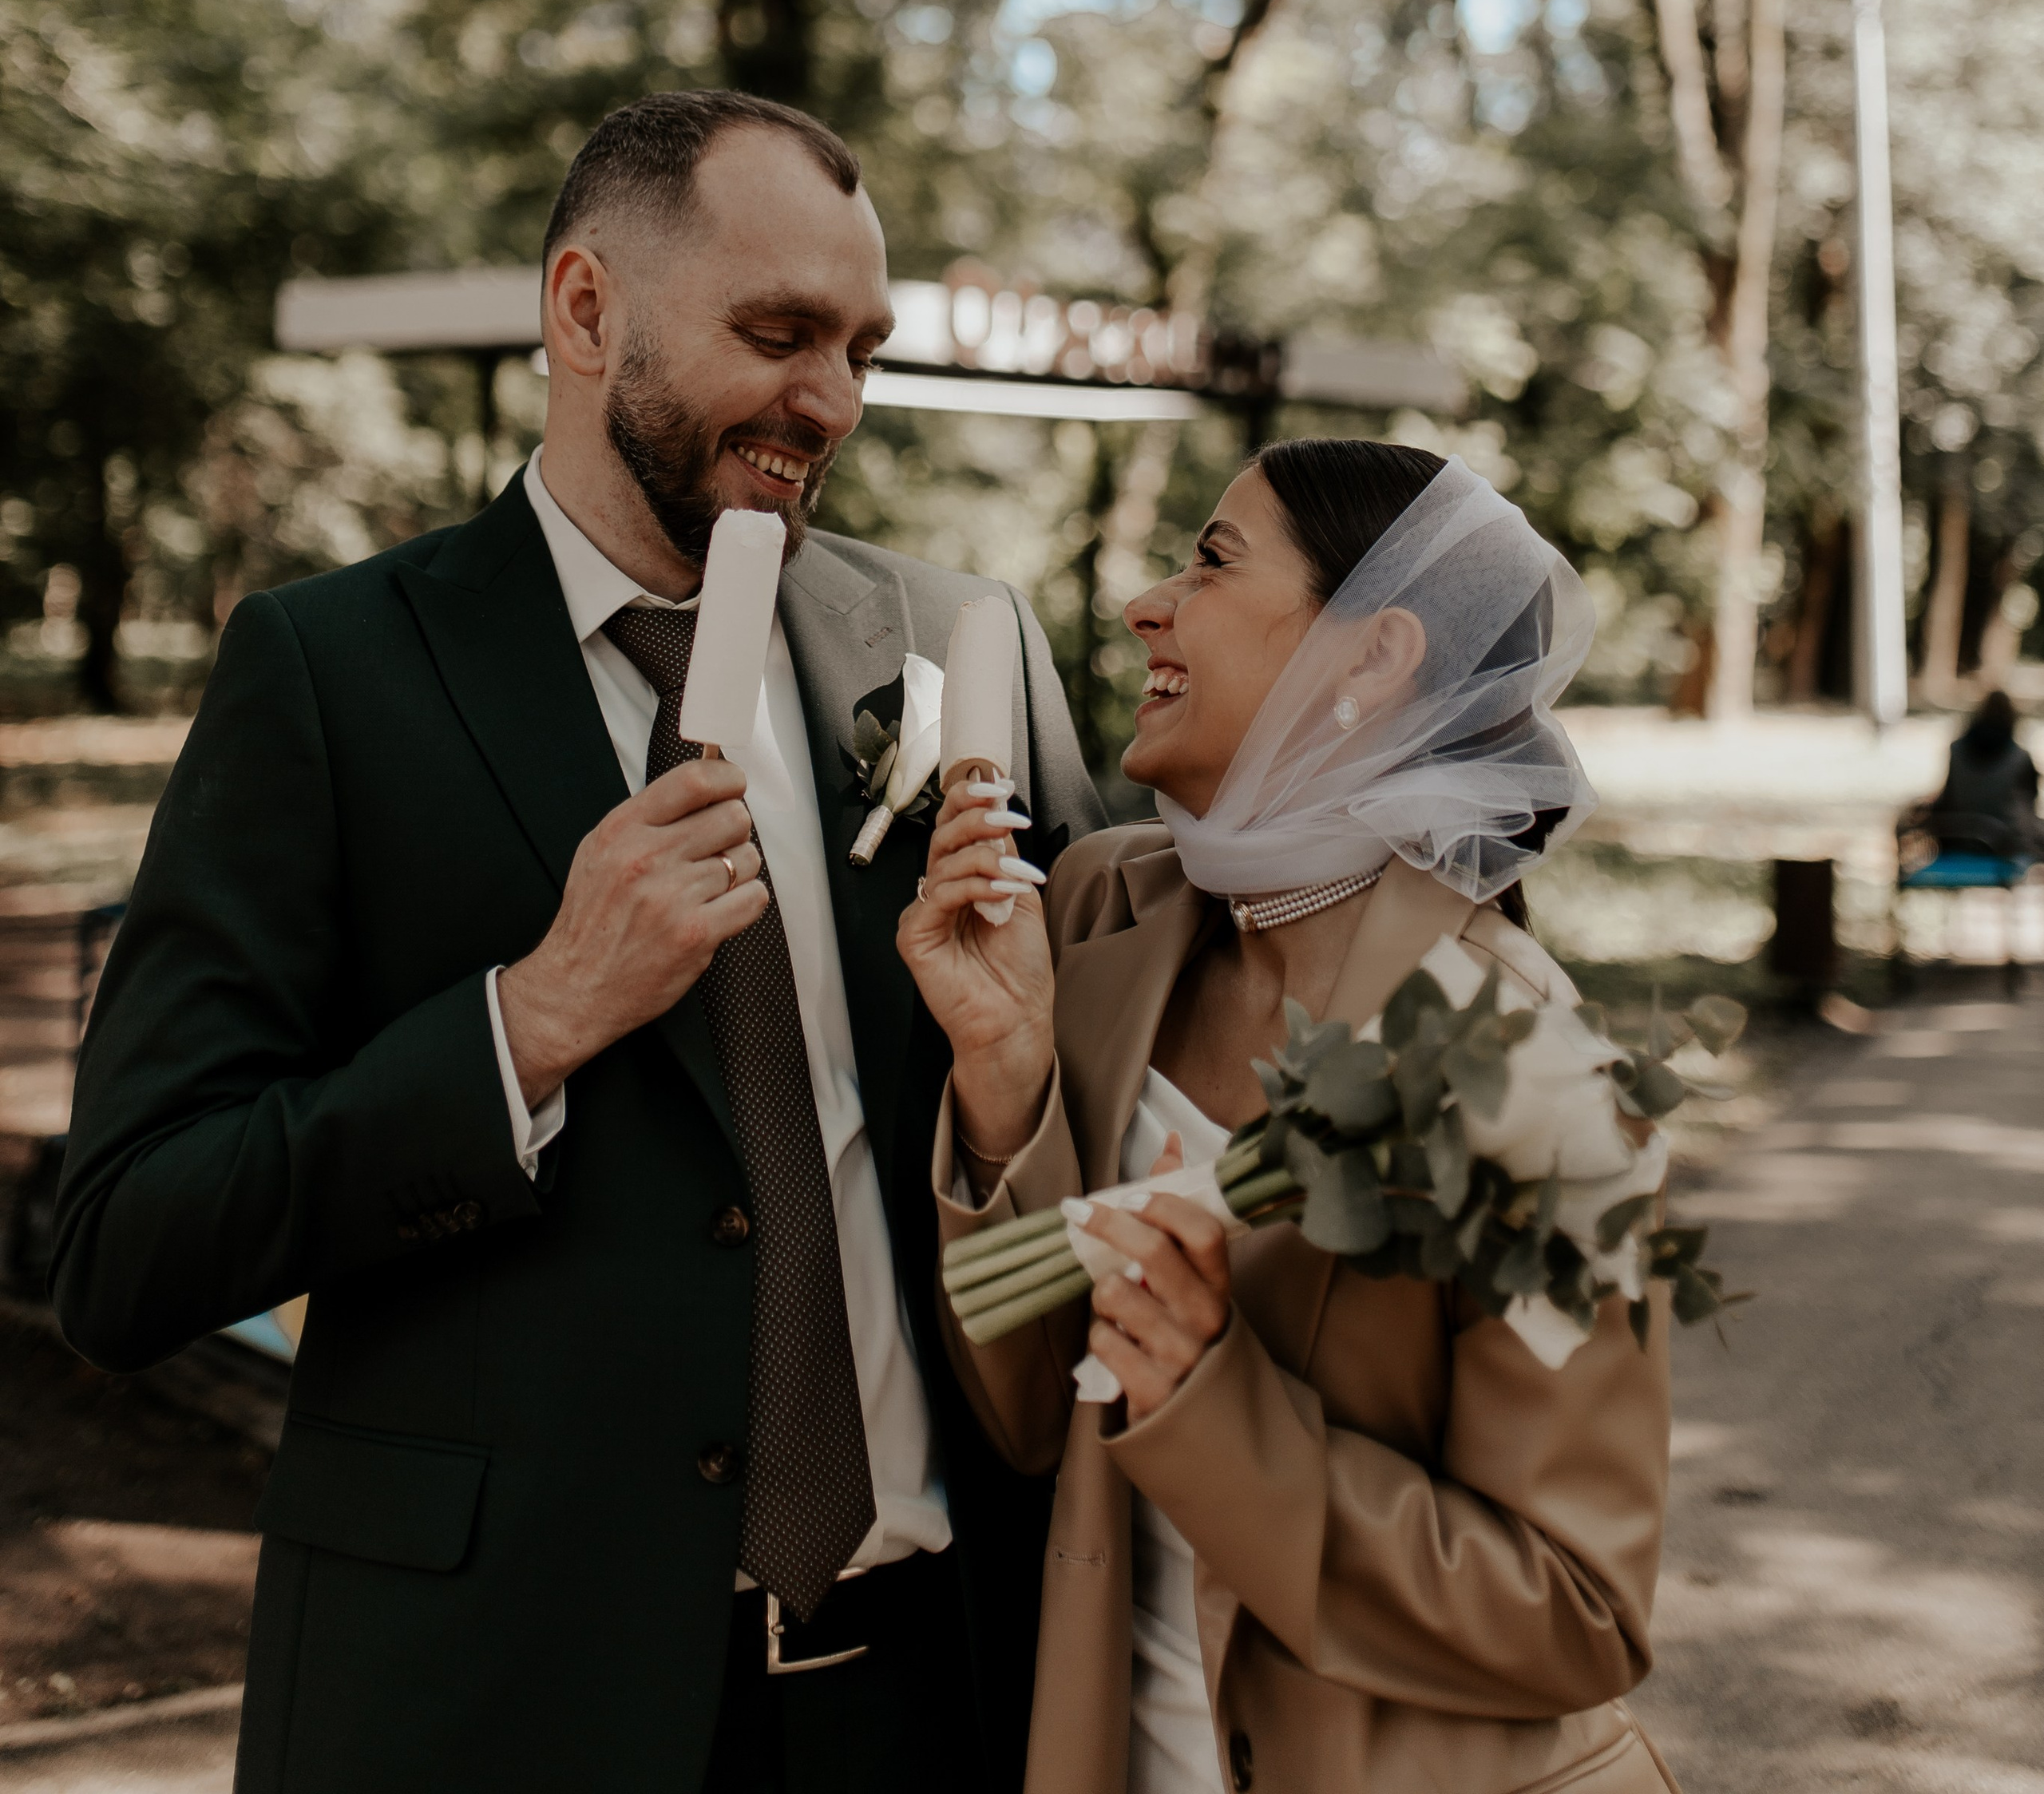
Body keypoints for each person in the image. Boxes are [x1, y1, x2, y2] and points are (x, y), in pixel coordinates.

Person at [52, 90, 1102, 1794]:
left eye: (859, 349)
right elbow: (123, 1244)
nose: (831, 401)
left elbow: (1087, 1196)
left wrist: (1008, 1108)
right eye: (777, 333)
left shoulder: (959, 646)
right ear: (586, 308)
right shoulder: (331, 675)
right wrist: (526, 1024)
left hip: (925, 1700)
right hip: (495, 1707)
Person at [902, 438, 1680, 1794]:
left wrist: (1212, 1403)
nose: (1144, 604)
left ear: (1374, 658)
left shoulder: (1523, 1070)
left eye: (1211, 562)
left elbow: (1576, 1615)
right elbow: (1029, 1425)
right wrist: (1006, 1073)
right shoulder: (1089, 916)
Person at [1913, 687, 2042, 863]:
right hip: (2004, 845)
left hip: (1957, 838)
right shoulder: (2020, 758)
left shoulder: (1957, 750)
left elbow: (1949, 797)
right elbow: (2028, 807)